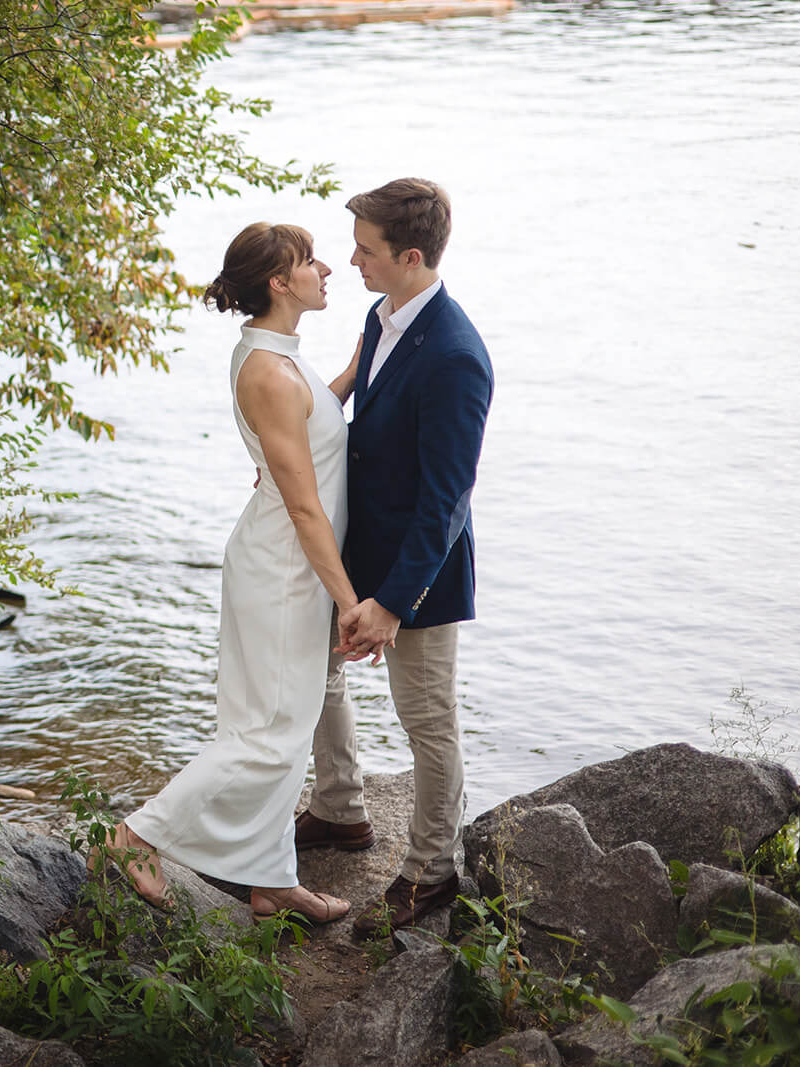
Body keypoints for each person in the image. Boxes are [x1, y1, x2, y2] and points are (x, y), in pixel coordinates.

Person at [97, 221, 364, 924]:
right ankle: (134, 835)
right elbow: (306, 508)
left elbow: (317, 419)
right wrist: (350, 603)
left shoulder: (277, 356)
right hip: (284, 569)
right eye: (310, 261)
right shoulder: (270, 373)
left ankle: (271, 880)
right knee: (264, 734)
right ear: (280, 282)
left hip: (283, 561)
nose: (327, 268)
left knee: (275, 724)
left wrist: (366, 361)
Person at [294, 178, 494, 937]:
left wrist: (392, 602)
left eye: (367, 250)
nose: (351, 261)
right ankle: (342, 809)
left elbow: (447, 501)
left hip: (421, 574)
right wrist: (296, 442)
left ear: (411, 256)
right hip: (355, 549)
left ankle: (432, 869)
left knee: (427, 719)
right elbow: (357, 406)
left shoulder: (454, 357)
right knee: (318, 672)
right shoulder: (382, 316)